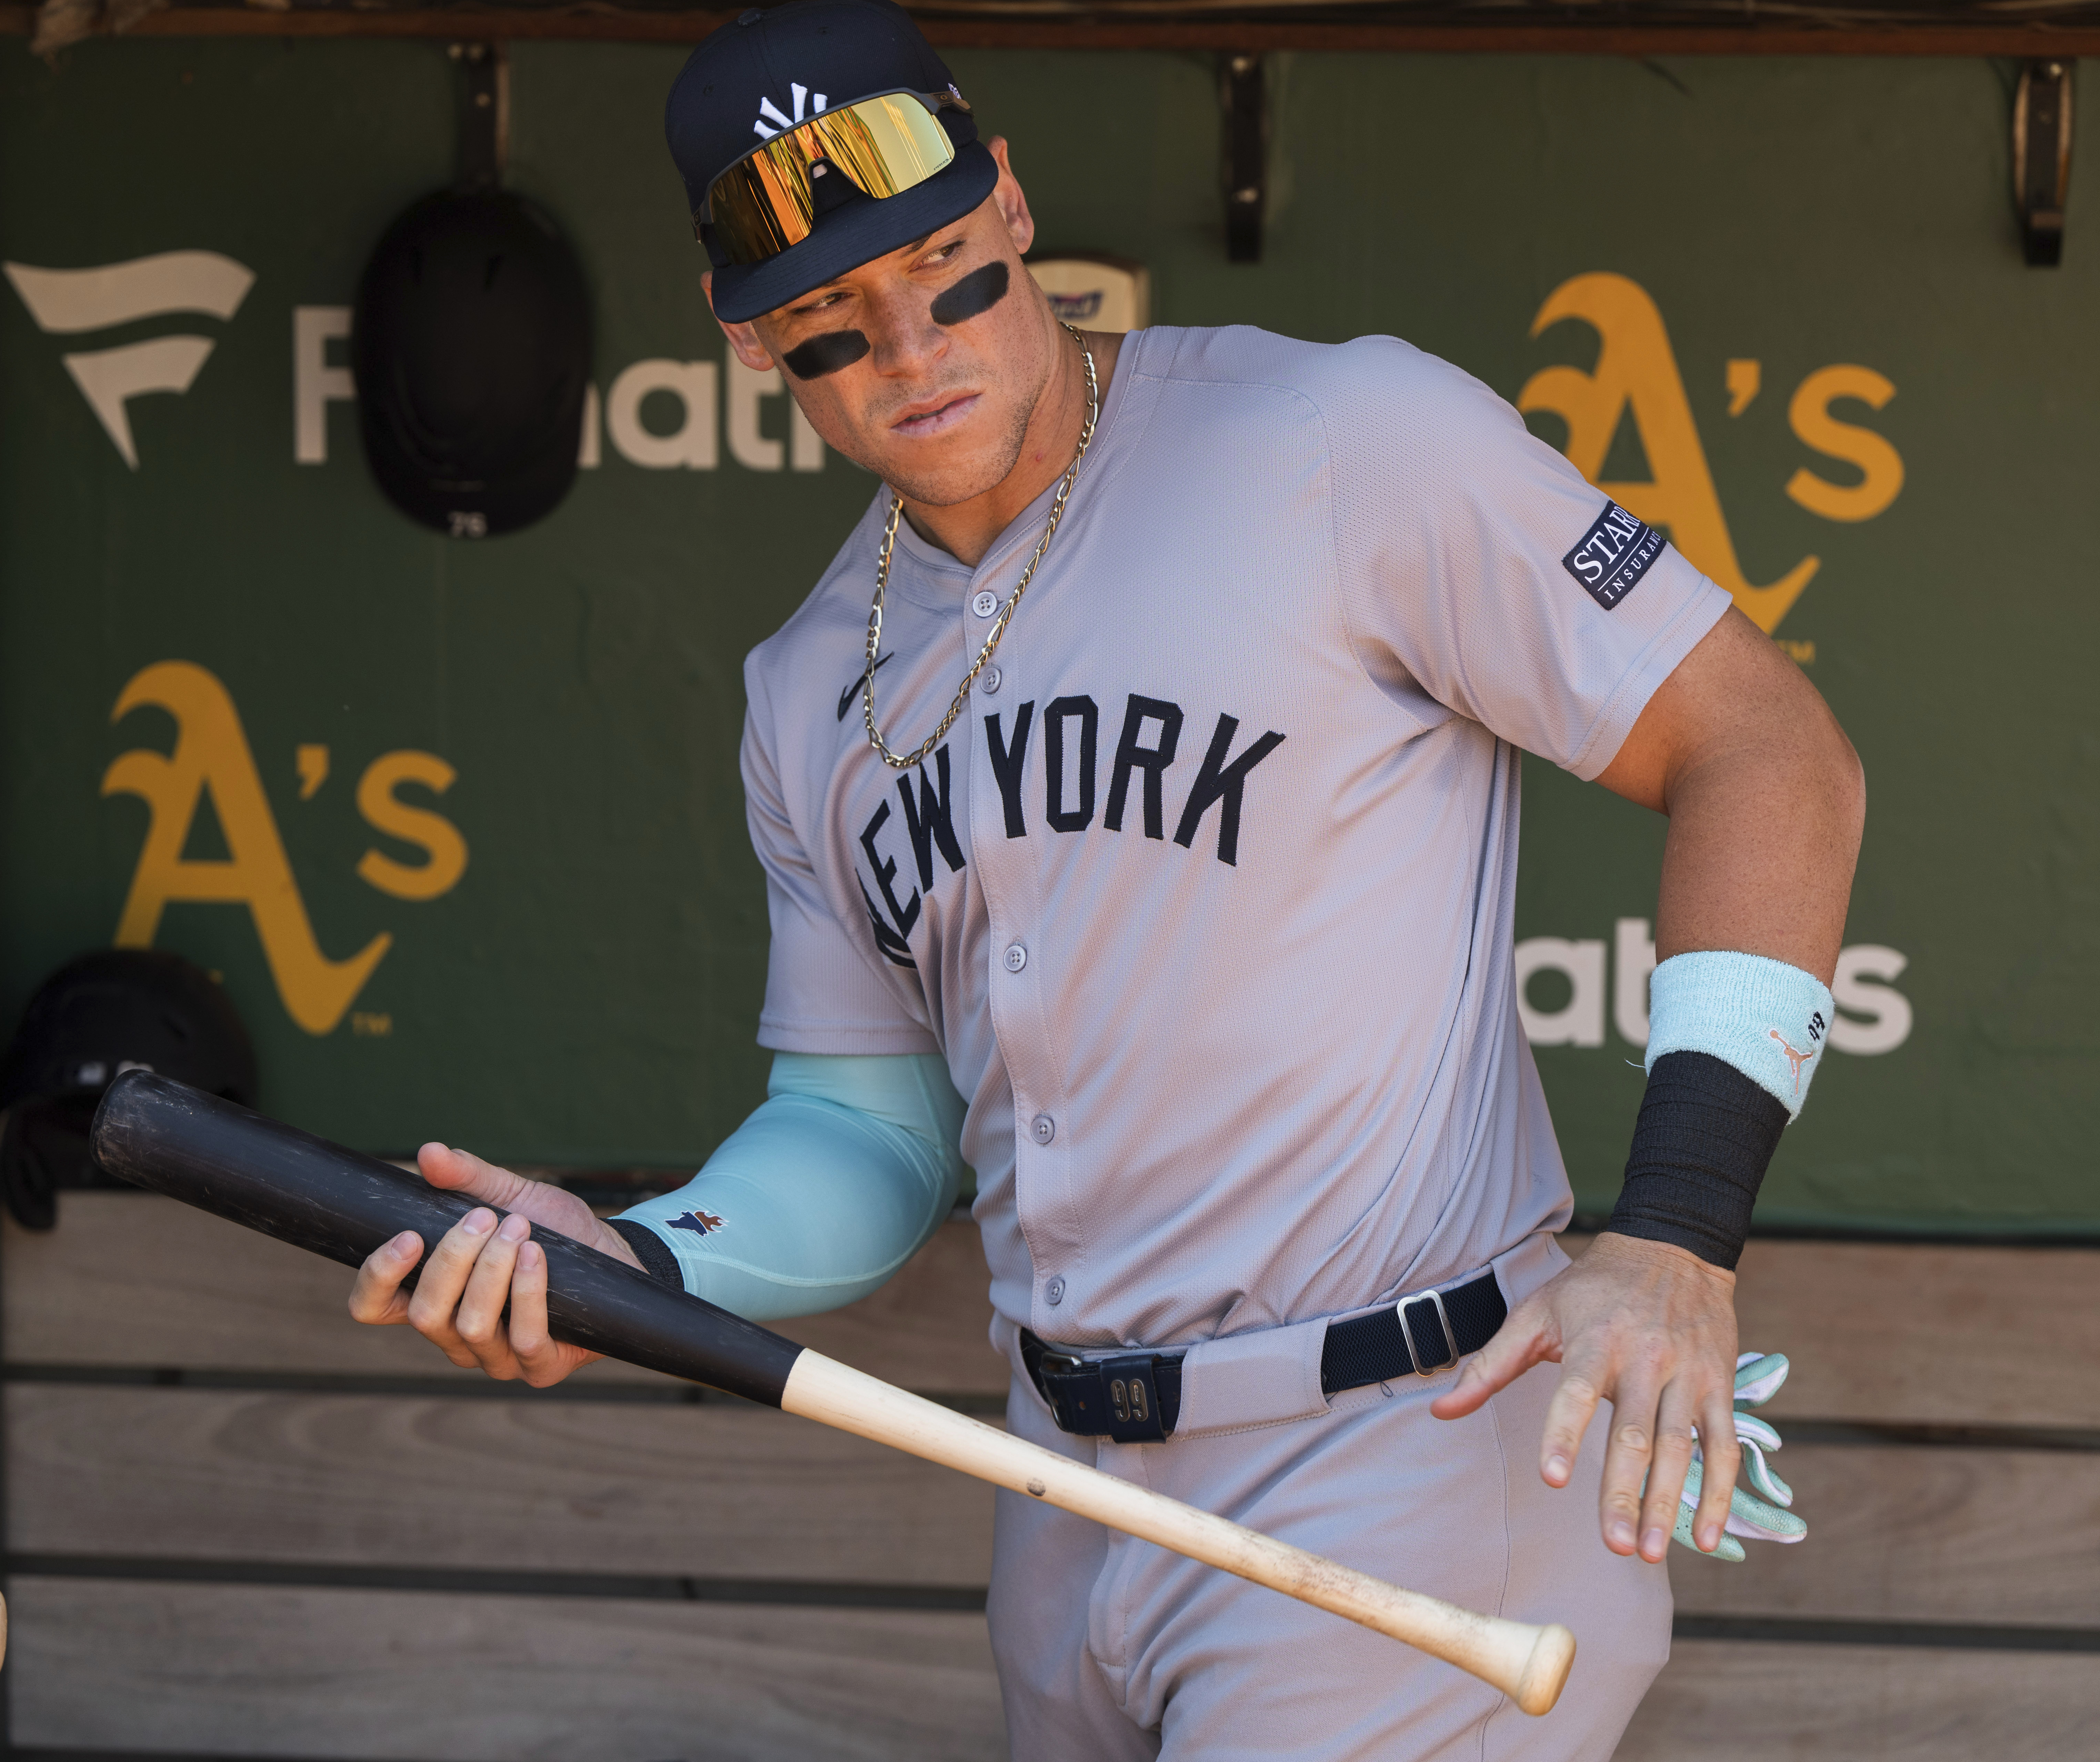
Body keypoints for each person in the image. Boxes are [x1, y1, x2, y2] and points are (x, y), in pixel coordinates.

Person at [346, 3, 1863, 1753]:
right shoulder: (804, 690)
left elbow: (1766, 750)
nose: (913, 351)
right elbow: (866, 1139)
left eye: (947, 272)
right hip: (1059, 1490)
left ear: (1006, 201)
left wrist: (1677, 1233)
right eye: (834, 324)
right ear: (744, 333)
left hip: (1408, 1445)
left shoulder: (1338, 441)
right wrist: (635, 1257)